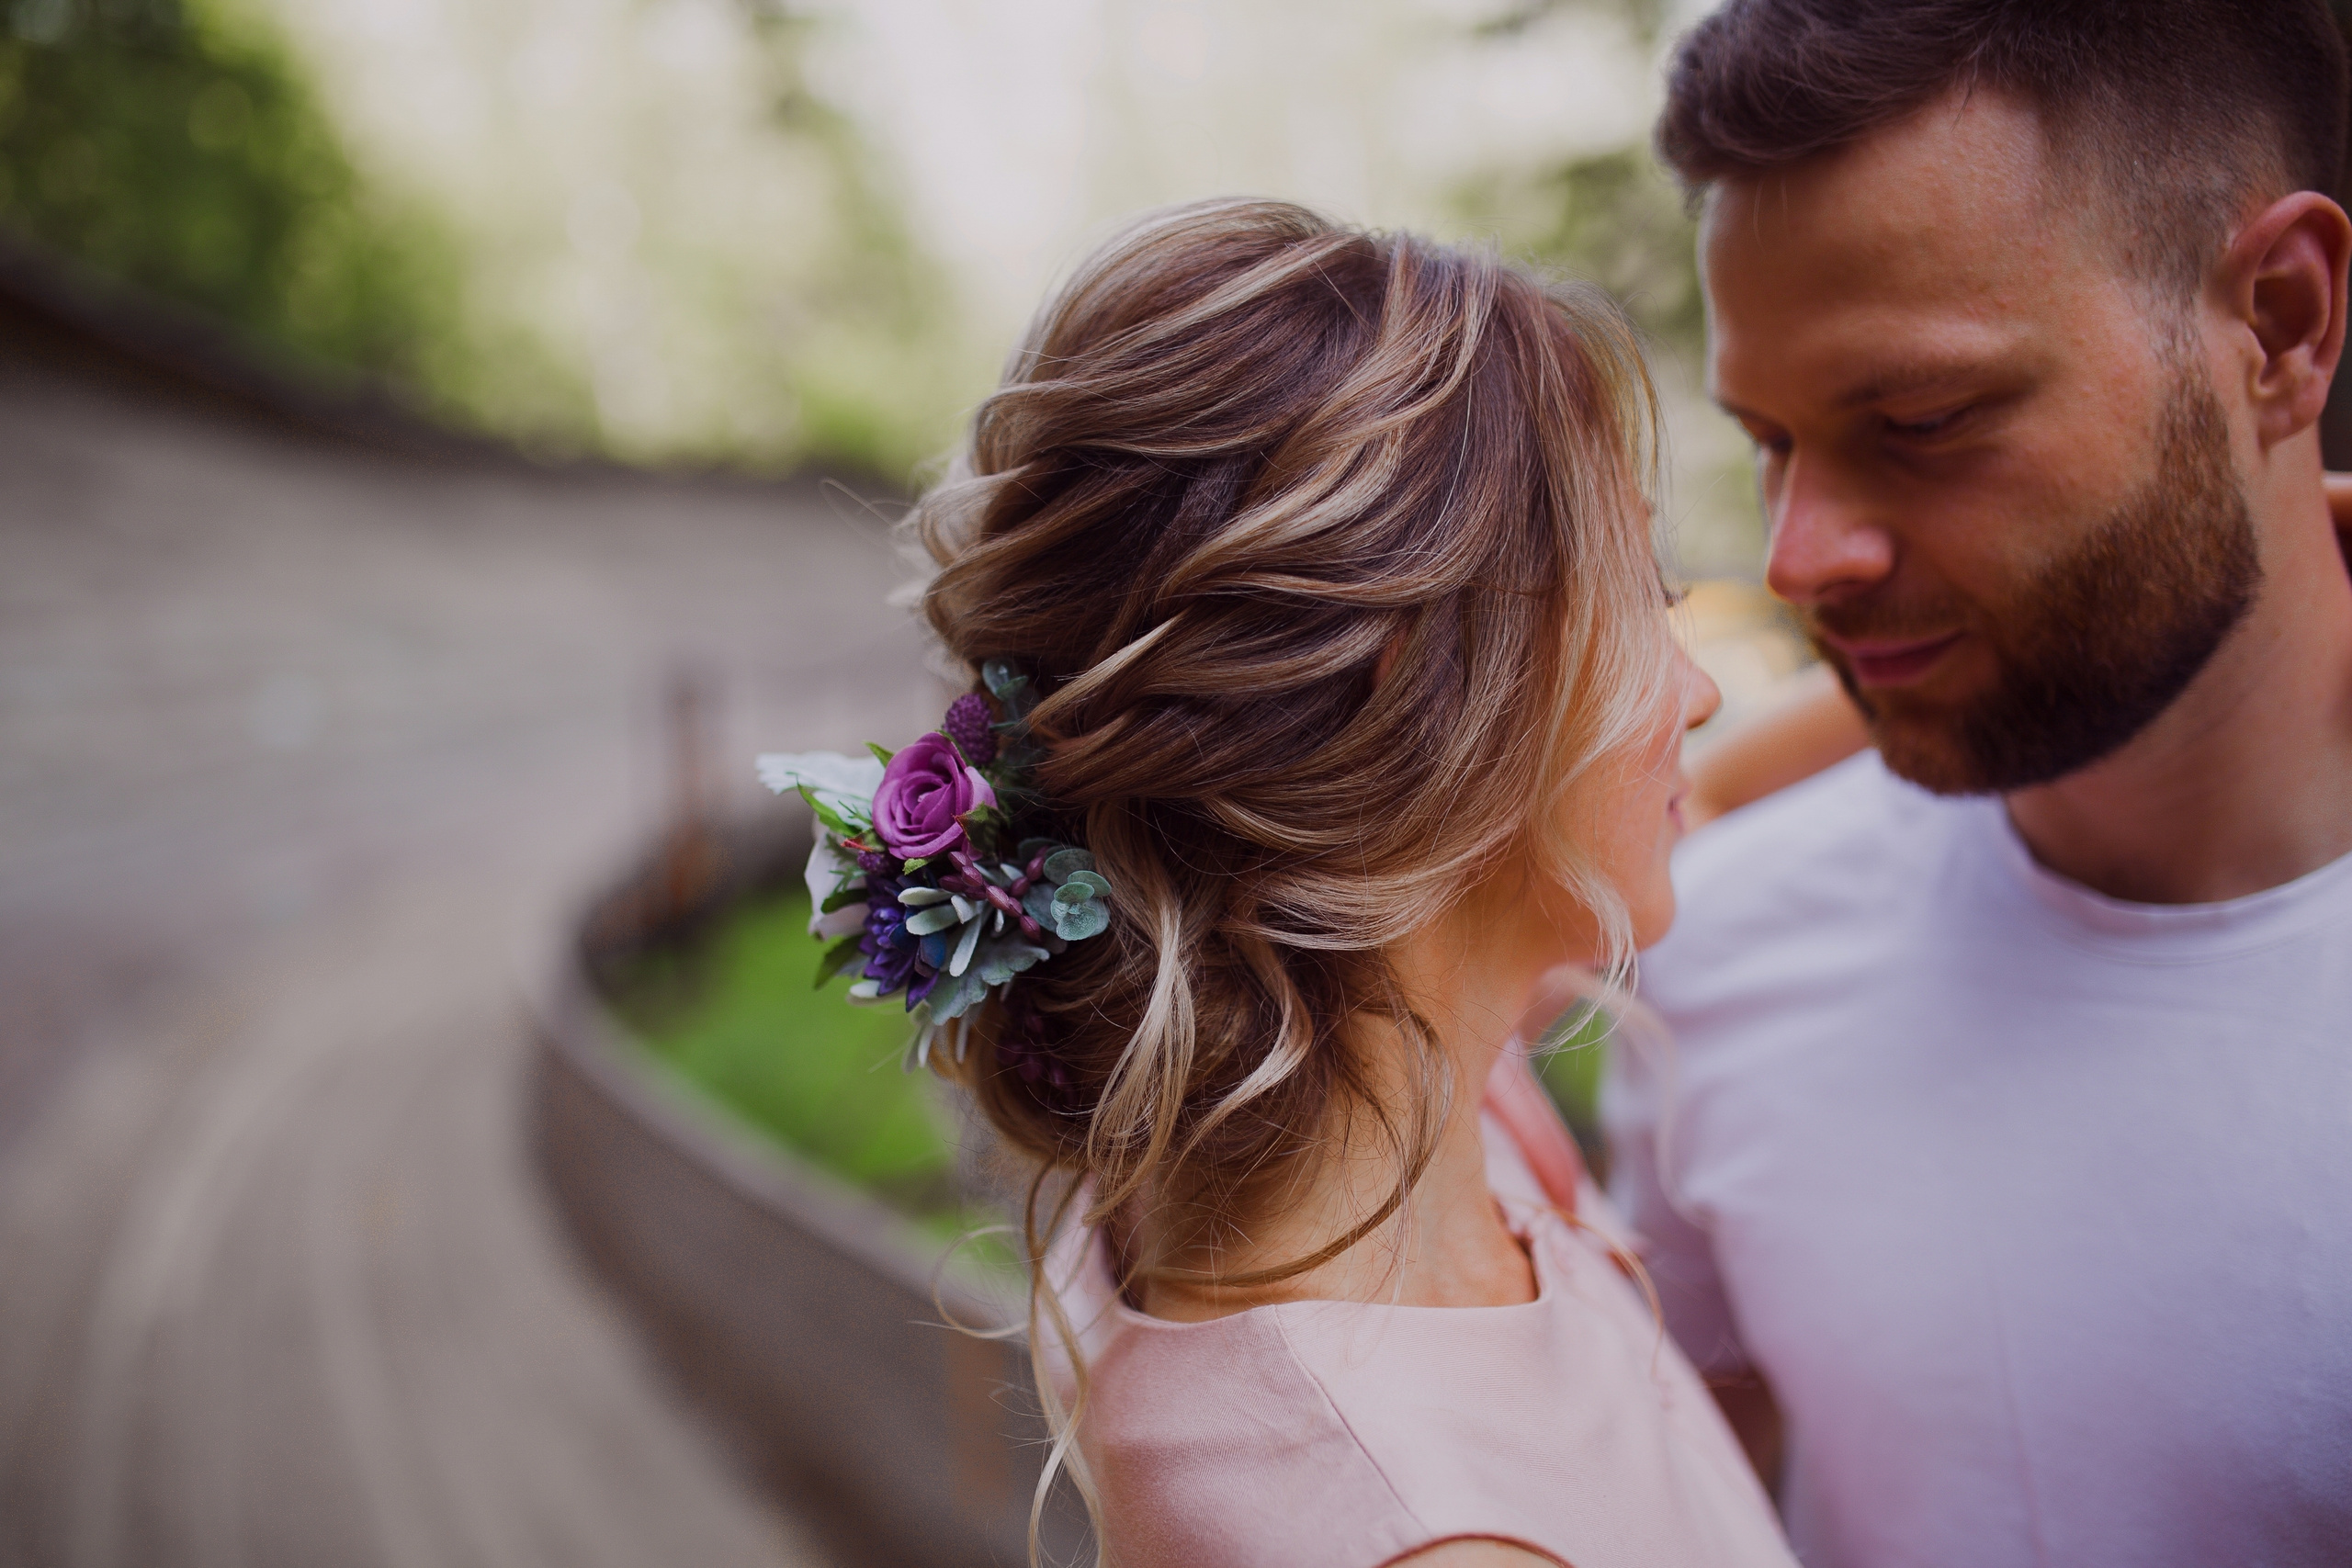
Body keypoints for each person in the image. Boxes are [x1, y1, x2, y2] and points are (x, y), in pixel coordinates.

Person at [901, 198, 1797, 1567]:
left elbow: (1695, 795)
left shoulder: (1307, 1116)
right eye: (1644, 595)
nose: (1702, 690)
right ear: (1426, 697)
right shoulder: (1431, 1537)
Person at [1602, 4, 2352, 1565]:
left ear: (2279, 324)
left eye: (1924, 422)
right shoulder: (1717, 948)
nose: (1802, 558)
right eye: (1770, 441)